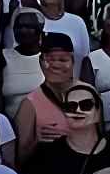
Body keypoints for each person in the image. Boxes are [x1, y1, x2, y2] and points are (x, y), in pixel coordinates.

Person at [16, 33, 80, 163]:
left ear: (72, 61)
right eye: (50, 60)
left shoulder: (89, 96)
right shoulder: (30, 104)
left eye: (63, 60)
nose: (56, 65)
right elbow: (19, 158)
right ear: (40, 62)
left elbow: (100, 142)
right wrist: (36, 141)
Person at [1, 10, 47, 117]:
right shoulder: (3, 56)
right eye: (18, 27)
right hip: (10, 122)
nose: (23, 30)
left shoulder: (49, 57)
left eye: (28, 26)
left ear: (39, 30)